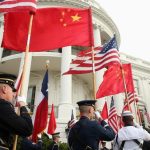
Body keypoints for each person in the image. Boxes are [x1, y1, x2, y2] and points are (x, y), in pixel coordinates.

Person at [0, 73, 33, 149]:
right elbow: (27, 129)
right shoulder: (2, 105)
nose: (14, 95)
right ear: (4, 89)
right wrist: (23, 106)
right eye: (12, 90)